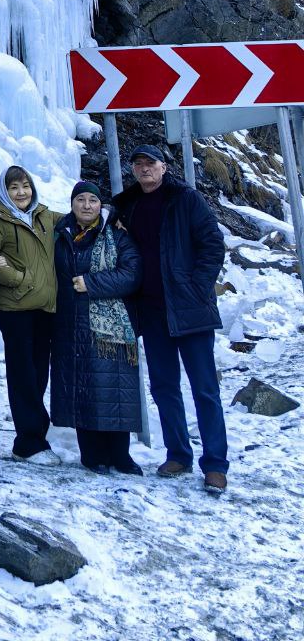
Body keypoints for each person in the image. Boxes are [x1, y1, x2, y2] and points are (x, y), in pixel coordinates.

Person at [112, 144, 228, 494]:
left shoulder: (185, 199)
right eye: (138, 164)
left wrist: (199, 286)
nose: (145, 169)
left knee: (205, 389)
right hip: (152, 311)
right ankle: (178, 453)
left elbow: (212, 243)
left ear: (164, 167)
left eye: (151, 163)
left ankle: (215, 464)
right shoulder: (127, 205)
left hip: (190, 309)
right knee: (164, 388)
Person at [51, 180, 144, 474]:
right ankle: (91, 454)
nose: (87, 206)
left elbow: (131, 274)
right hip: (70, 322)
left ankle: (120, 455)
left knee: (114, 389)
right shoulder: (62, 233)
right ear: (72, 204)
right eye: (81, 200)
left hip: (110, 326)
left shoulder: (117, 235)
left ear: (100, 205)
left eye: (93, 200)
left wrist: (90, 283)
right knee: (83, 388)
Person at [0, 165, 63, 465]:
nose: (21, 192)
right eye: (14, 187)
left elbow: (79, 218)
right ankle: (28, 443)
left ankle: (34, 436)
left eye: (25, 186)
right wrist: (19, 278)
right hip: (15, 309)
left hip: (44, 309)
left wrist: (107, 214)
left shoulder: (45, 216)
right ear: (5, 190)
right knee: (22, 374)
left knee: (39, 372)